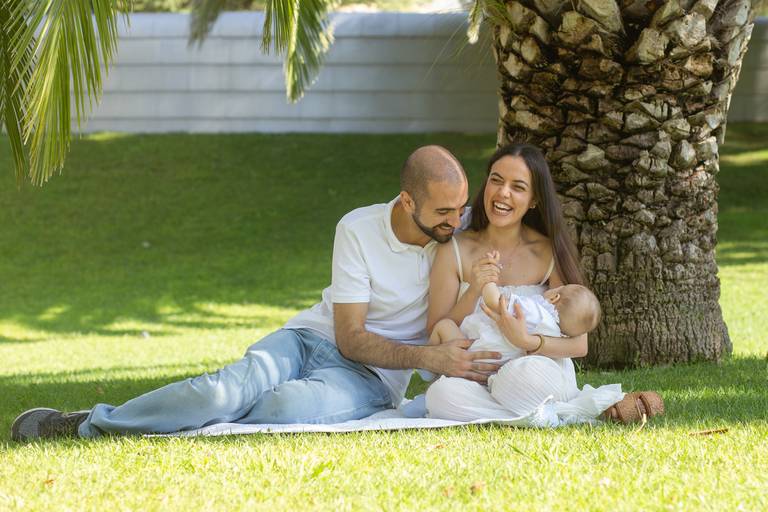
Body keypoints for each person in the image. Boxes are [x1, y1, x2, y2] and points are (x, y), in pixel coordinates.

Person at [11, 145, 504, 442]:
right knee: (223, 390)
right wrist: (430, 358)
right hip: (310, 339)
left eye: (461, 209)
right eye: (444, 211)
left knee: (281, 410)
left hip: (373, 379)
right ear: (407, 200)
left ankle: (174, 417)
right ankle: (89, 423)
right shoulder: (357, 227)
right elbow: (349, 337)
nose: (455, 220)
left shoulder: (454, 250)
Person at [423, 143, 660, 423]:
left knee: (528, 378)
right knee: (440, 397)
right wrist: (475, 287)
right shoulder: (453, 249)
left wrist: (526, 341)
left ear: (534, 199)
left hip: (534, 370)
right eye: (496, 180)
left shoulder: (547, 251)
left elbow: (579, 345)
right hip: (476, 378)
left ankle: (526, 412)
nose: (502, 193)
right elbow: (435, 333)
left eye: (518, 187)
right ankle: (556, 414)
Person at [428, 280, 602, 365]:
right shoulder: (556, 332)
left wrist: (487, 281)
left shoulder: (535, 312)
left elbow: (495, 302)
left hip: (476, 351)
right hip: (500, 364)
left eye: (558, 288)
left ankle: (428, 372)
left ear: (555, 297)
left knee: (444, 326)